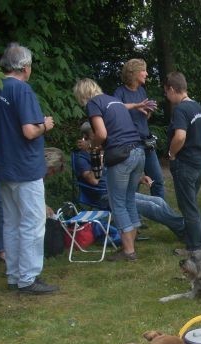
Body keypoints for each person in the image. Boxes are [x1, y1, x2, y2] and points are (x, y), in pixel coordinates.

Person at [0, 43, 58, 294]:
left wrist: (2, 147)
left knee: (11, 222)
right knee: (32, 222)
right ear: (25, 67)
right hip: (26, 167)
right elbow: (29, 131)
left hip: (3, 166)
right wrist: (45, 125)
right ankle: (28, 279)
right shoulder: (22, 90)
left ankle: (13, 275)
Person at [73, 78, 144, 262]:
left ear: (82, 95)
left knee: (118, 203)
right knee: (129, 200)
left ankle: (128, 251)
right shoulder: (114, 101)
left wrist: (91, 146)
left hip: (121, 156)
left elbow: (102, 134)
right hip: (138, 151)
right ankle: (130, 246)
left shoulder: (93, 104)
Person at [75, 123, 186, 241]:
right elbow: (93, 180)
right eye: (96, 134)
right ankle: (185, 229)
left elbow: (118, 175)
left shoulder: (104, 152)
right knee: (151, 206)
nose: (102, 136)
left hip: (117, 192)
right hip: (104, 197)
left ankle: (183, 227)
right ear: (85, 138)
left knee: (159, 201)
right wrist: (98, 159)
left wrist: (139, 179)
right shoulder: (81, 158)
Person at [164, 72, 201, 253]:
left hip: (185, 163)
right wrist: (197, 141)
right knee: (191, 202)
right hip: (199, 160)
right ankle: (200, 237)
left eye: (166, 92)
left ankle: (196, 247)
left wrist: (171, 153)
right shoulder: (196, 106)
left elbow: (180, 136)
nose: (166, 97)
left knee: (188, 206)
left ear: (172, 89)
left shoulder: (180, 110)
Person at [113, 59, 164, 198]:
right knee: (134, 183)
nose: (146, 74)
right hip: (131, 144)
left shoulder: (142, 91)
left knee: (158, 180)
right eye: (143, 70)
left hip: (146, 142)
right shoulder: (120, 92)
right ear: (134, 73)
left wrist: (148, 111)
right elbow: (115, 108)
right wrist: (136, 105)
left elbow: (143, 117)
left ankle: (161, 209)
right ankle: (134, 209)